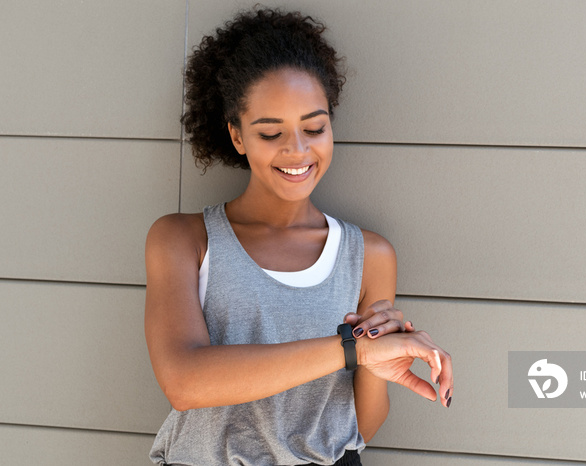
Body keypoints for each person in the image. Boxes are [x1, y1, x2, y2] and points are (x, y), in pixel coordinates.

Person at [145, 7, 453, 466]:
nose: (298, 150)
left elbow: (359, 426)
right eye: (271, 132)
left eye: (314, 128)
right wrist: (350, 349)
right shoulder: (183, 239)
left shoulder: (369, 255)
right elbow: (185, 383)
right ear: (236, 135)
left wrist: (372, 362)